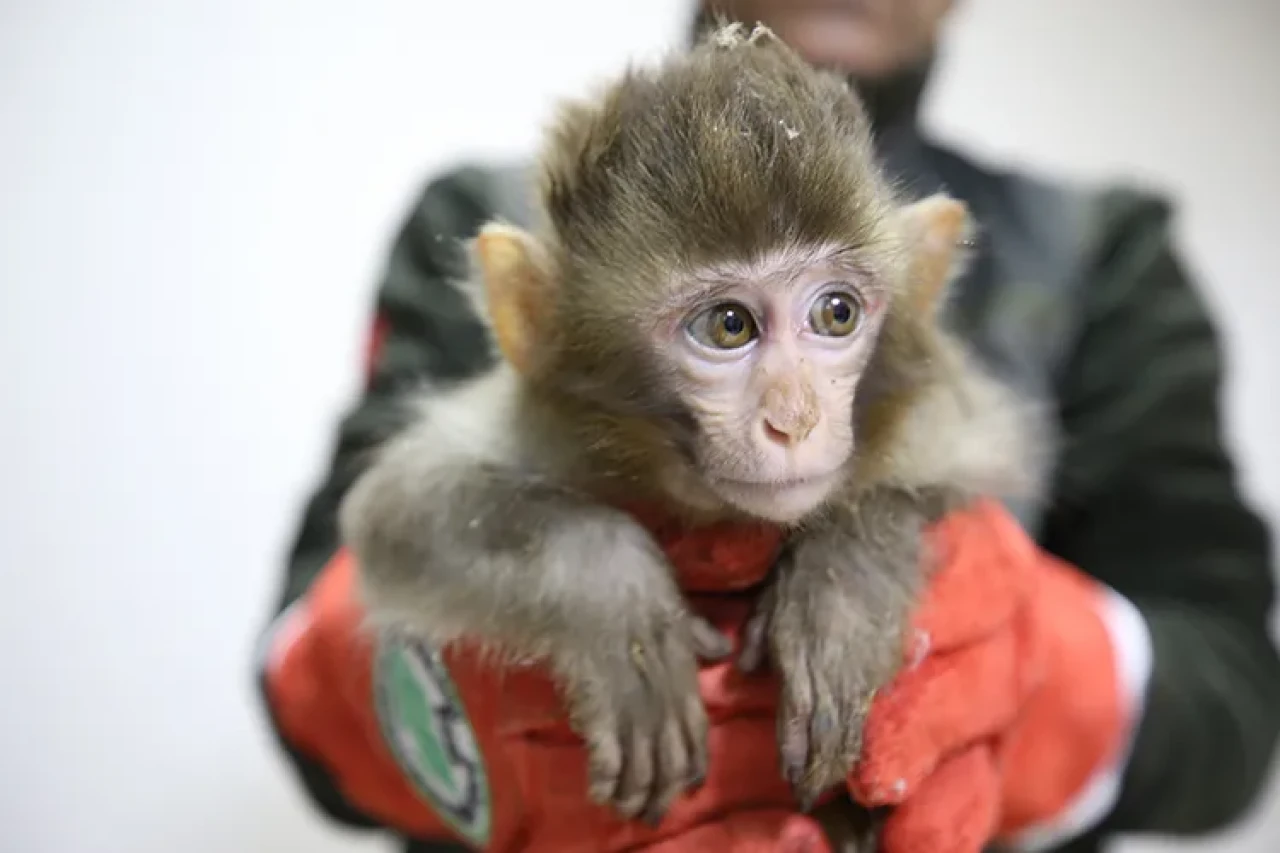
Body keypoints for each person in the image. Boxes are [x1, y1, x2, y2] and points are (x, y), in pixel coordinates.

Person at [254, 2, 1280, 852]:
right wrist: (479, 659)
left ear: (919, 279)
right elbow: (308, 648)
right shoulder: (492, 211)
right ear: (528, 312)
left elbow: (1234, 703)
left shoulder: (1096, 251)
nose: (792, 411)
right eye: (724, 322)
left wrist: (1046, 670)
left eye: (837, 313)